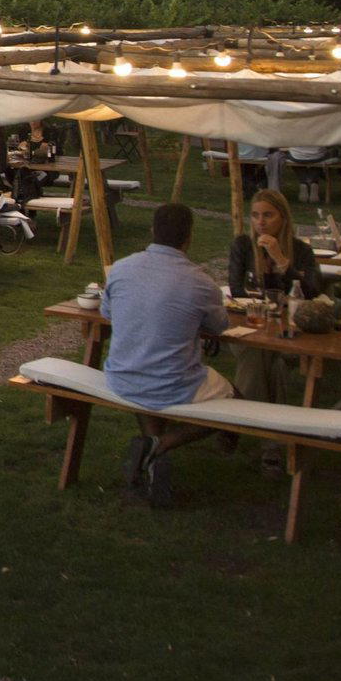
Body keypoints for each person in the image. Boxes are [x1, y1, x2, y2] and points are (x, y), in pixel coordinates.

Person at [101, 203, 234, 508]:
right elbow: (220, 326)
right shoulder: (201, 283)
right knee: (234, 402)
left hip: (122, 377)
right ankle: (163, 445)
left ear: (152, 231)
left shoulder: (120, 269)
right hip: (169, 383)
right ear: (189, 237)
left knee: (146, 368)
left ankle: (150, 445)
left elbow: (107, 312)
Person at [226, 188, 323, 473]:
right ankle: (272, 443)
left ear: (283, 217)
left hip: (289, 330)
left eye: (268, 215)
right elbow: (235, 289)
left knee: (275, 363)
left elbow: (313, 291)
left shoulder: (300, 251)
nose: (261, 222)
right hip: (249, 325)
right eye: (255, 216)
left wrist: (282, 261)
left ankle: (234, 423)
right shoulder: (243, 245)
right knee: (260, 357)